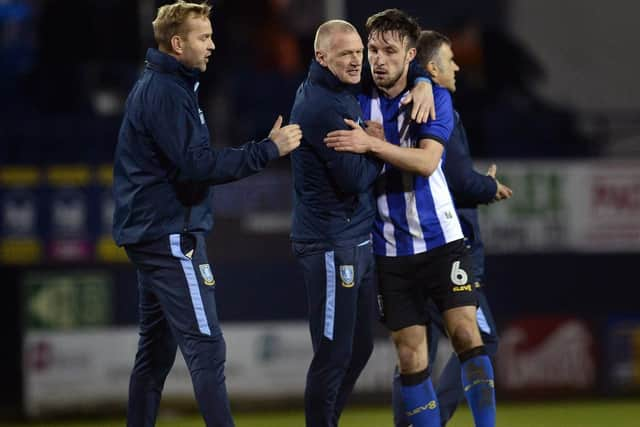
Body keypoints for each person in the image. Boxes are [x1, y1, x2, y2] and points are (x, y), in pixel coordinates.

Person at [111, 2, 301, 426]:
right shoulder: (166, 92)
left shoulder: (169, 85)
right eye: (204, 37)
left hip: (155, 230)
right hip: (169, 235)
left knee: (155, 354)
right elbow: (195, 165)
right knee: (207, 348)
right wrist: (267, 150)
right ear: (177, 44)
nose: (213, 45)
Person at [324, 9, 497, 427]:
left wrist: (373, 144)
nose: (378, 59)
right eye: (373, 50)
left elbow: (426, 162)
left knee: (467, 336)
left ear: (410, 54)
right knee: (410, 354)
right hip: (389, 252)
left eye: (389, 50)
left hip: (442, 242)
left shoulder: (435, 96)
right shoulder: (356, 98)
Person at [289, 19, 433, 427]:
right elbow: (353, 180)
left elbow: (410, 60)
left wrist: (421, 81)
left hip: (354, 239)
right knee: (334, 354)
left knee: (359, 350)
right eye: (346, 54)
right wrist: (378, 148)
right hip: (332, 244)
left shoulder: (339, 90)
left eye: (358, 53)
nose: (357, 62)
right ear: (322, 57)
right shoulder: (322, 106)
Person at [390, 30, 513, 427]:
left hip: (409, 246)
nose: (457, 66)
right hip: (445, 245)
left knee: (414, 350)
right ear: (431, 68)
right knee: (481, 340)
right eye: (450, 59)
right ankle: (436, 419)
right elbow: (458, 179)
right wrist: (488, 186)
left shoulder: (402, 105)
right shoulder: (440, 108)